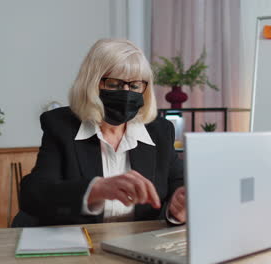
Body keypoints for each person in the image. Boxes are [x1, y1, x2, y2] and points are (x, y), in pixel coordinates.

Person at [19, 38, 186, 226]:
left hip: (139, 246)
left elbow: (177, 184)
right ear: (91, 83)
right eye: (114, 84)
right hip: (81, 244)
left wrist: (177, 208)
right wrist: (94, 190)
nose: (125, 92)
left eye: (134, 86)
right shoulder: (61, 126)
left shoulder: (160, 131)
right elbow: (33, 194)